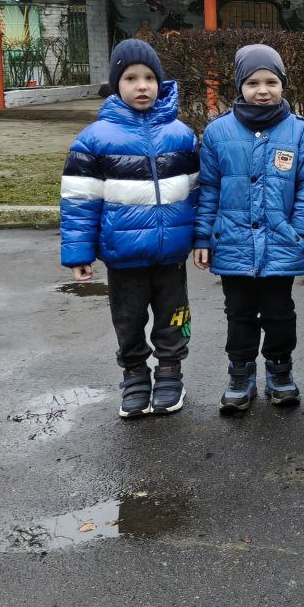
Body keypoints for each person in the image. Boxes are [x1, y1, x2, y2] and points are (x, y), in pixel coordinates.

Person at [60, 40, 198, 418]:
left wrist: (203, 239)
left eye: (150, 78)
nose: (142, 86)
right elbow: (79, 200)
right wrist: (78, 253)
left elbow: (198, 193)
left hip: (171, 254)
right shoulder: (95, 139)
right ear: (116, 83)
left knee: (174, 316)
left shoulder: (181, 135)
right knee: (129, 319)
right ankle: (135, 373)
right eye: (131, 78)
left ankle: (169, 371)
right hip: (123, 257)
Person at [194, 45, 304, 413]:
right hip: (232, 242)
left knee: (280, 313)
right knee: (239, 313)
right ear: (239, 86)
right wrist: (203, 237)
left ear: (283, 85)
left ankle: (280, 370)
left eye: (271, 82)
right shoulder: (218, 132)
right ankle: (240, 373)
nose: (262, 90)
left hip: (281, 242)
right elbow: (209, 189)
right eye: (252, 83)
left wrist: (299, 232)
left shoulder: (301, 132)